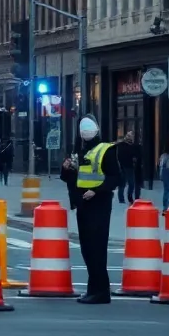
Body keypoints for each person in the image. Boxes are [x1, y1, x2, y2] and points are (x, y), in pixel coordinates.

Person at [60, 115, 118, 304]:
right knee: (87, 249)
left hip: (99, 205)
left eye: (87, 132)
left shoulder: (106, 150)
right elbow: (69, 178)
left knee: (96, 249)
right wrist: (66, 168)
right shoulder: (80, 150)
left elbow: (115, 178)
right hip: (83, 205)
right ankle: (93, 289)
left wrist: (96, 191)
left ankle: (101, 291)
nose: (85, 135)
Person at [116, 130, 141, 204]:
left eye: (130, 136)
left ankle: (128, 198)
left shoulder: (133, 146)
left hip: (129, 166)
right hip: (123, 166)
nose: (129, 137)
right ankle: (122, 199)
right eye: (128, 135)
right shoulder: (121, 145)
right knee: (123, 184)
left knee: (130, 184)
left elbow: (135, 155)